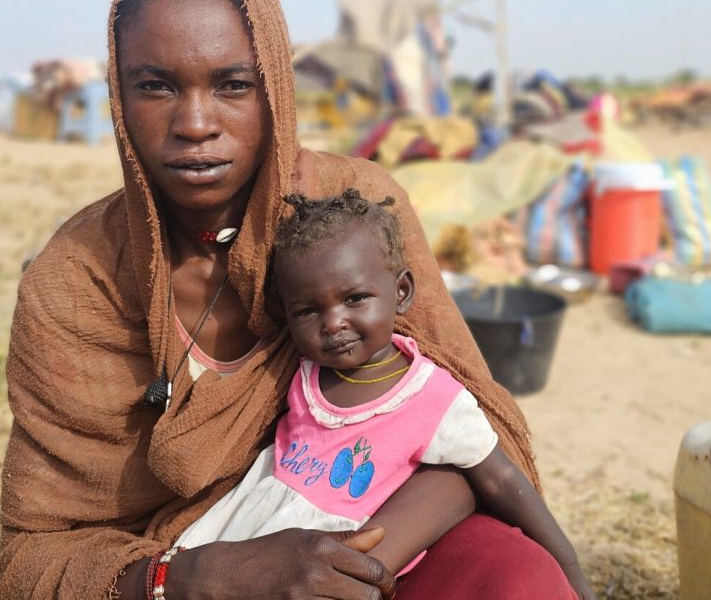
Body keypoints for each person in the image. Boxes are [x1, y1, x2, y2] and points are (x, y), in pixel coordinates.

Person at [0, 0, 577, 599]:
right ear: (118, 95)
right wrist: (197, 577)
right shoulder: (74, 284)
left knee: (515, 578)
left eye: (233, 84)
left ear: (275, 86)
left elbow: (470, 438)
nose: (194, 124)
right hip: (178, 577)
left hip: (377, 542)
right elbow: (36, 559)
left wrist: (352, 564)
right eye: (155, 85)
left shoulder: (354, 212)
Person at [173, 189, 593, 599]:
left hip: (330, 564)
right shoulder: (303, 371)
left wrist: (570, 569)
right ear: (286, 314)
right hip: (256, 530)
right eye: (309, 310)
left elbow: (500, 478)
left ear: (403, 292)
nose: (333, 323)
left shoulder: (432, 398)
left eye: (355, 299)